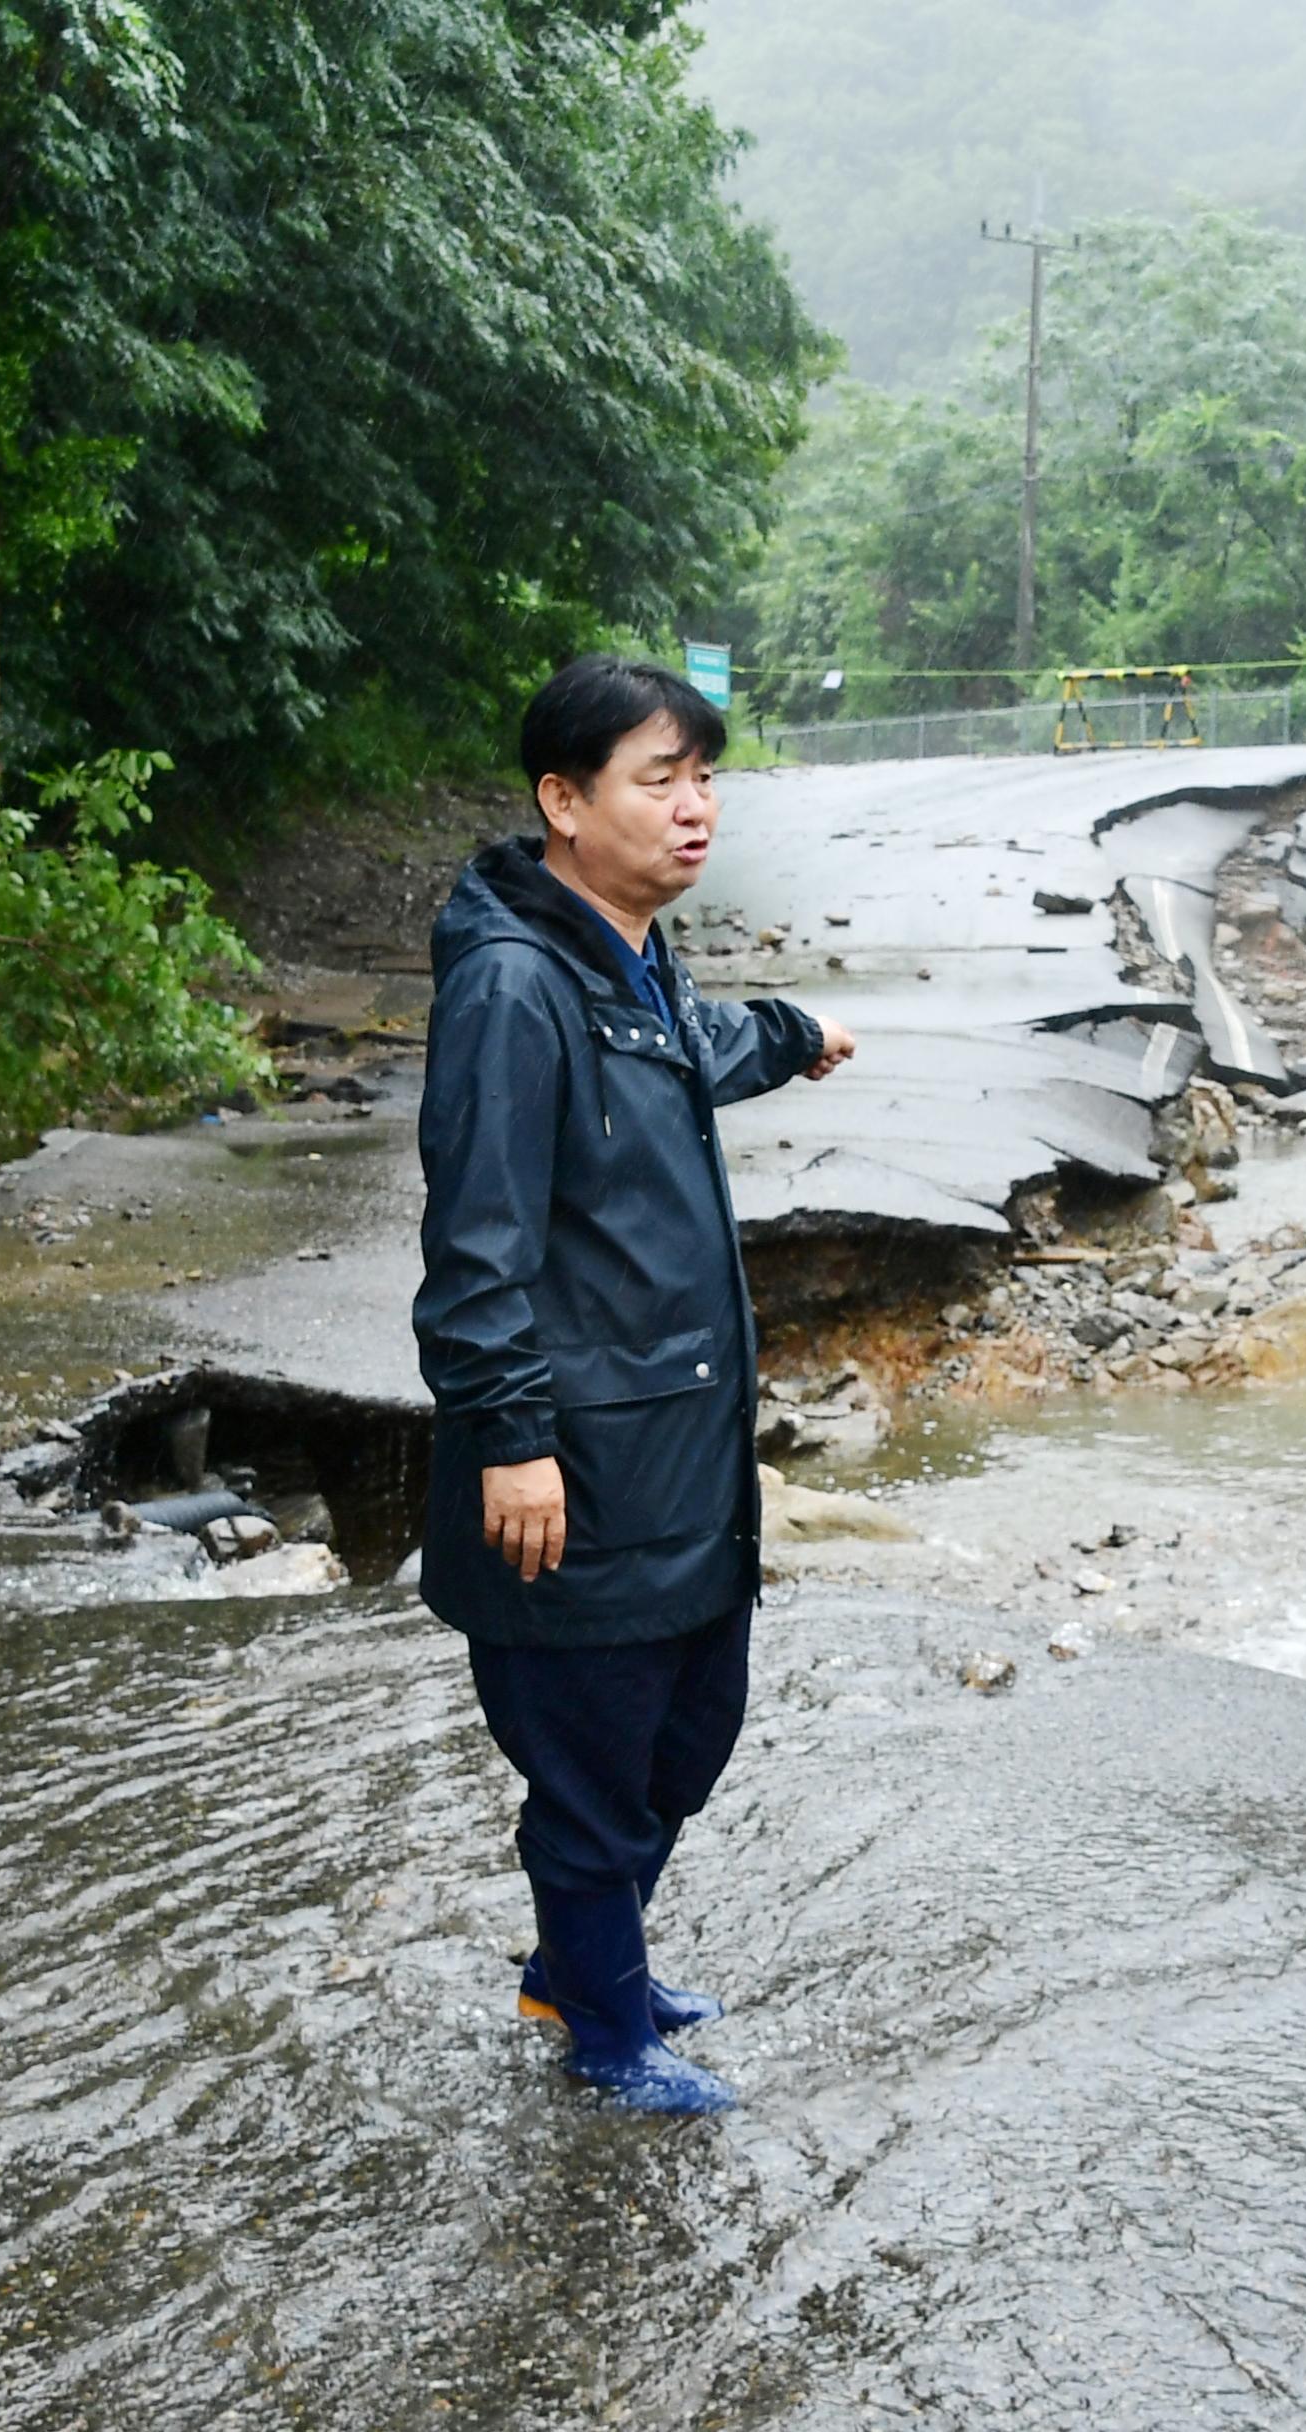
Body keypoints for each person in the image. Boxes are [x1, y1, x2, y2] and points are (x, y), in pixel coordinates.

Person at [413, 654, 855, 2117]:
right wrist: (510, 1441)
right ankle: (601, 2024)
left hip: (679, 1452)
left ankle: (579, 1960)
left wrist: (797, 1038)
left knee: (687, 1736)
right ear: (563, 798)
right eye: (658, 779)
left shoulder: (629, 957)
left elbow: (693, 1051)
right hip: (577, 1471)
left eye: (705, 777)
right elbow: (476, 1246)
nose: (695, 808)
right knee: (595, 1776)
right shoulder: (512, 985)